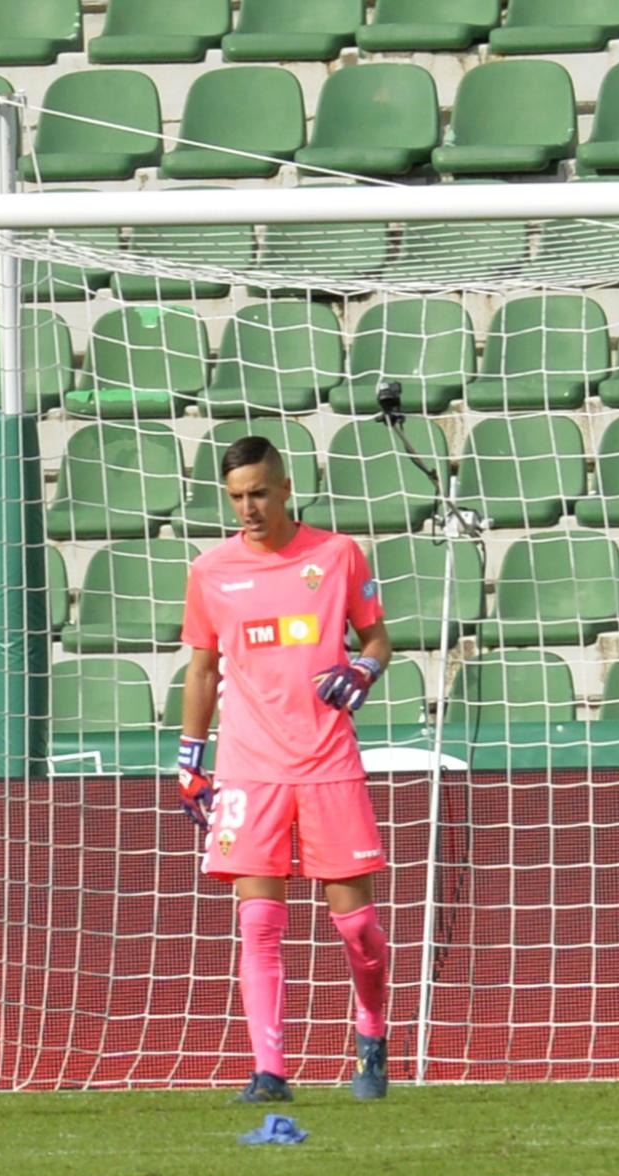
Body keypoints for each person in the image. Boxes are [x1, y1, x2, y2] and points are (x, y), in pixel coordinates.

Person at [176, 434, 395, 1104]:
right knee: (259, 922)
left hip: (327, 757)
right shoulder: (211, 571)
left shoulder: (337, 554)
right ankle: (269, 1071)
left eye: (260, 492)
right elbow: (204, 667)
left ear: (287, 487)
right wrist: (190, 757)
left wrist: (365, 667)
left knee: (355, 924)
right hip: (250, 764)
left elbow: (378, 638)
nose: (249, 507)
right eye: (237, 496)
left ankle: (372, 1028)